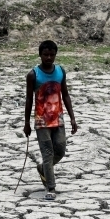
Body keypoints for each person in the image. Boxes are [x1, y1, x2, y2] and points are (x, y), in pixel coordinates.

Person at [23, 40, 77, 200]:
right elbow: (28, 100)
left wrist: (73, 118)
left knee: (60, 151)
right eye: (45, 55)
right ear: (40, 55)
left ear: (55, 55)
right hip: (41, 121)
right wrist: (26, 123)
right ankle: (51, 188)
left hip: (58, 119)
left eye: (51, 55)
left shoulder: (60, 71)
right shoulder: (33, 75)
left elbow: (65, 95)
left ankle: (43, 169)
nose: (48, 58)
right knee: (47, 153)